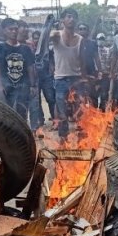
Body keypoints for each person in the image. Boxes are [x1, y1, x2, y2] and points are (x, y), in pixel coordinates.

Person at [50, 8, 84, 140]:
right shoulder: (57, 35)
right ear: (63, 20)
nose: (72, 19)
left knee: (80, 110)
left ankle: (82, 137)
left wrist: (84, 78)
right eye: (68, 17)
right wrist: (51, 30)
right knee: (62, 111)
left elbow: (82, 60)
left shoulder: (80, 39)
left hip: (76, 79)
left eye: (74, 17)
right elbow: (49, 36)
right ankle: (63, 138)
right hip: (61, 80)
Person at [0, 18, 37, 120]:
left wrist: (33, 85)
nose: (14, 31)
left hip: (23, 86)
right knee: (6, 114)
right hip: (6, 87)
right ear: (4, 31)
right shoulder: (0, 48)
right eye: (10, 29)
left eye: (15, 29)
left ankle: (21, 135)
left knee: (22, 114)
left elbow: (30, 68)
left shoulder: (25, 49)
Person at [78, 23, 101, 106]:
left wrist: (99, 71)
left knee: (93, 95)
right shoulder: (75, 43)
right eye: (80, 29)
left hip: (91, 72)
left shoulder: (93, 43)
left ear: (88, 31)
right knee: (80, 96)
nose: (82, 31)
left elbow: (97, 57)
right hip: (78, 73)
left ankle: (93, 115)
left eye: (84, 29)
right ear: (78, 31)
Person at [96, 33, 112, 110]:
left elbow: (111, 61)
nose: (101, 41)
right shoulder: (94, 49)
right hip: (96, 75)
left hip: (105, 74)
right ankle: (94, 111)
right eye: (99, 39)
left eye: (102, 39)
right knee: (94, 94)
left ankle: (102, 112)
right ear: (97, 40)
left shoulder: (108, 50)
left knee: (104, 94)